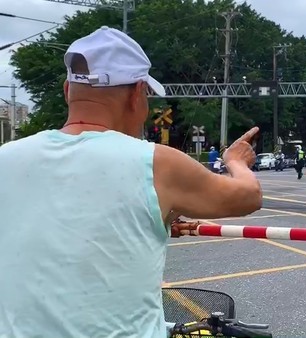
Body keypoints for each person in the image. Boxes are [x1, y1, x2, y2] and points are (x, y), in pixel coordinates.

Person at [0, 26, 262, 338]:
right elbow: (247, 196)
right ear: (137, 93)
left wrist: (149, 219)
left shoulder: (6, 157)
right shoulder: (156, 163)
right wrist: (235, 160)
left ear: (68, 89)